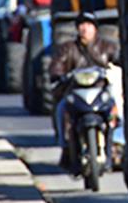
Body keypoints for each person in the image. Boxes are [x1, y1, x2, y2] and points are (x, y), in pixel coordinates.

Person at [49, 12, 119, 167]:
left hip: (101, 92)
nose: (85, 29)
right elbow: (57, 65)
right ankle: (65, 146)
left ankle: (119, 143)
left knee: (119, 108)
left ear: (95, 28)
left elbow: (118, 60)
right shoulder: (68, 48)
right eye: (81, 25)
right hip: (76, 92)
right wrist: (58, 75)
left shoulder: (107, 47)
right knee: (61, 110)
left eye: (89, 25)